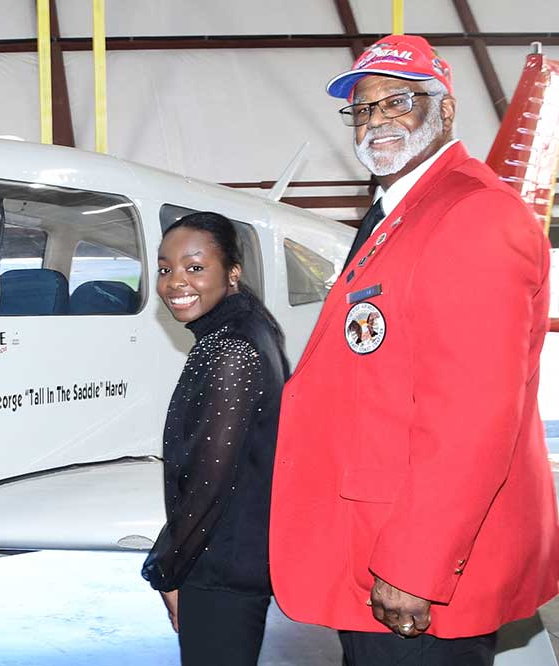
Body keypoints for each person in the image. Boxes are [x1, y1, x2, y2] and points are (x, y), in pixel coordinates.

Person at [270, 34, 559, 665]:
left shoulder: (473, 215)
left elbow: (473, 415)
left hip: (412, 568)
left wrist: (416, 564)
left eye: (397, 103)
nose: (376, 122)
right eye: (363, 109)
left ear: (446, 111)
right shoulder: (398, 213)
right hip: (371, 546)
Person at [141, 212, 289, 665]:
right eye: (166, 269)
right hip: (231, 558)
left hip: (221, 564)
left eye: (195, 267)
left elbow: (210, 480)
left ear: (233, 273)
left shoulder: (230, 347)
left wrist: (166, 569)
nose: (175, 282)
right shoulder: (245, 330)